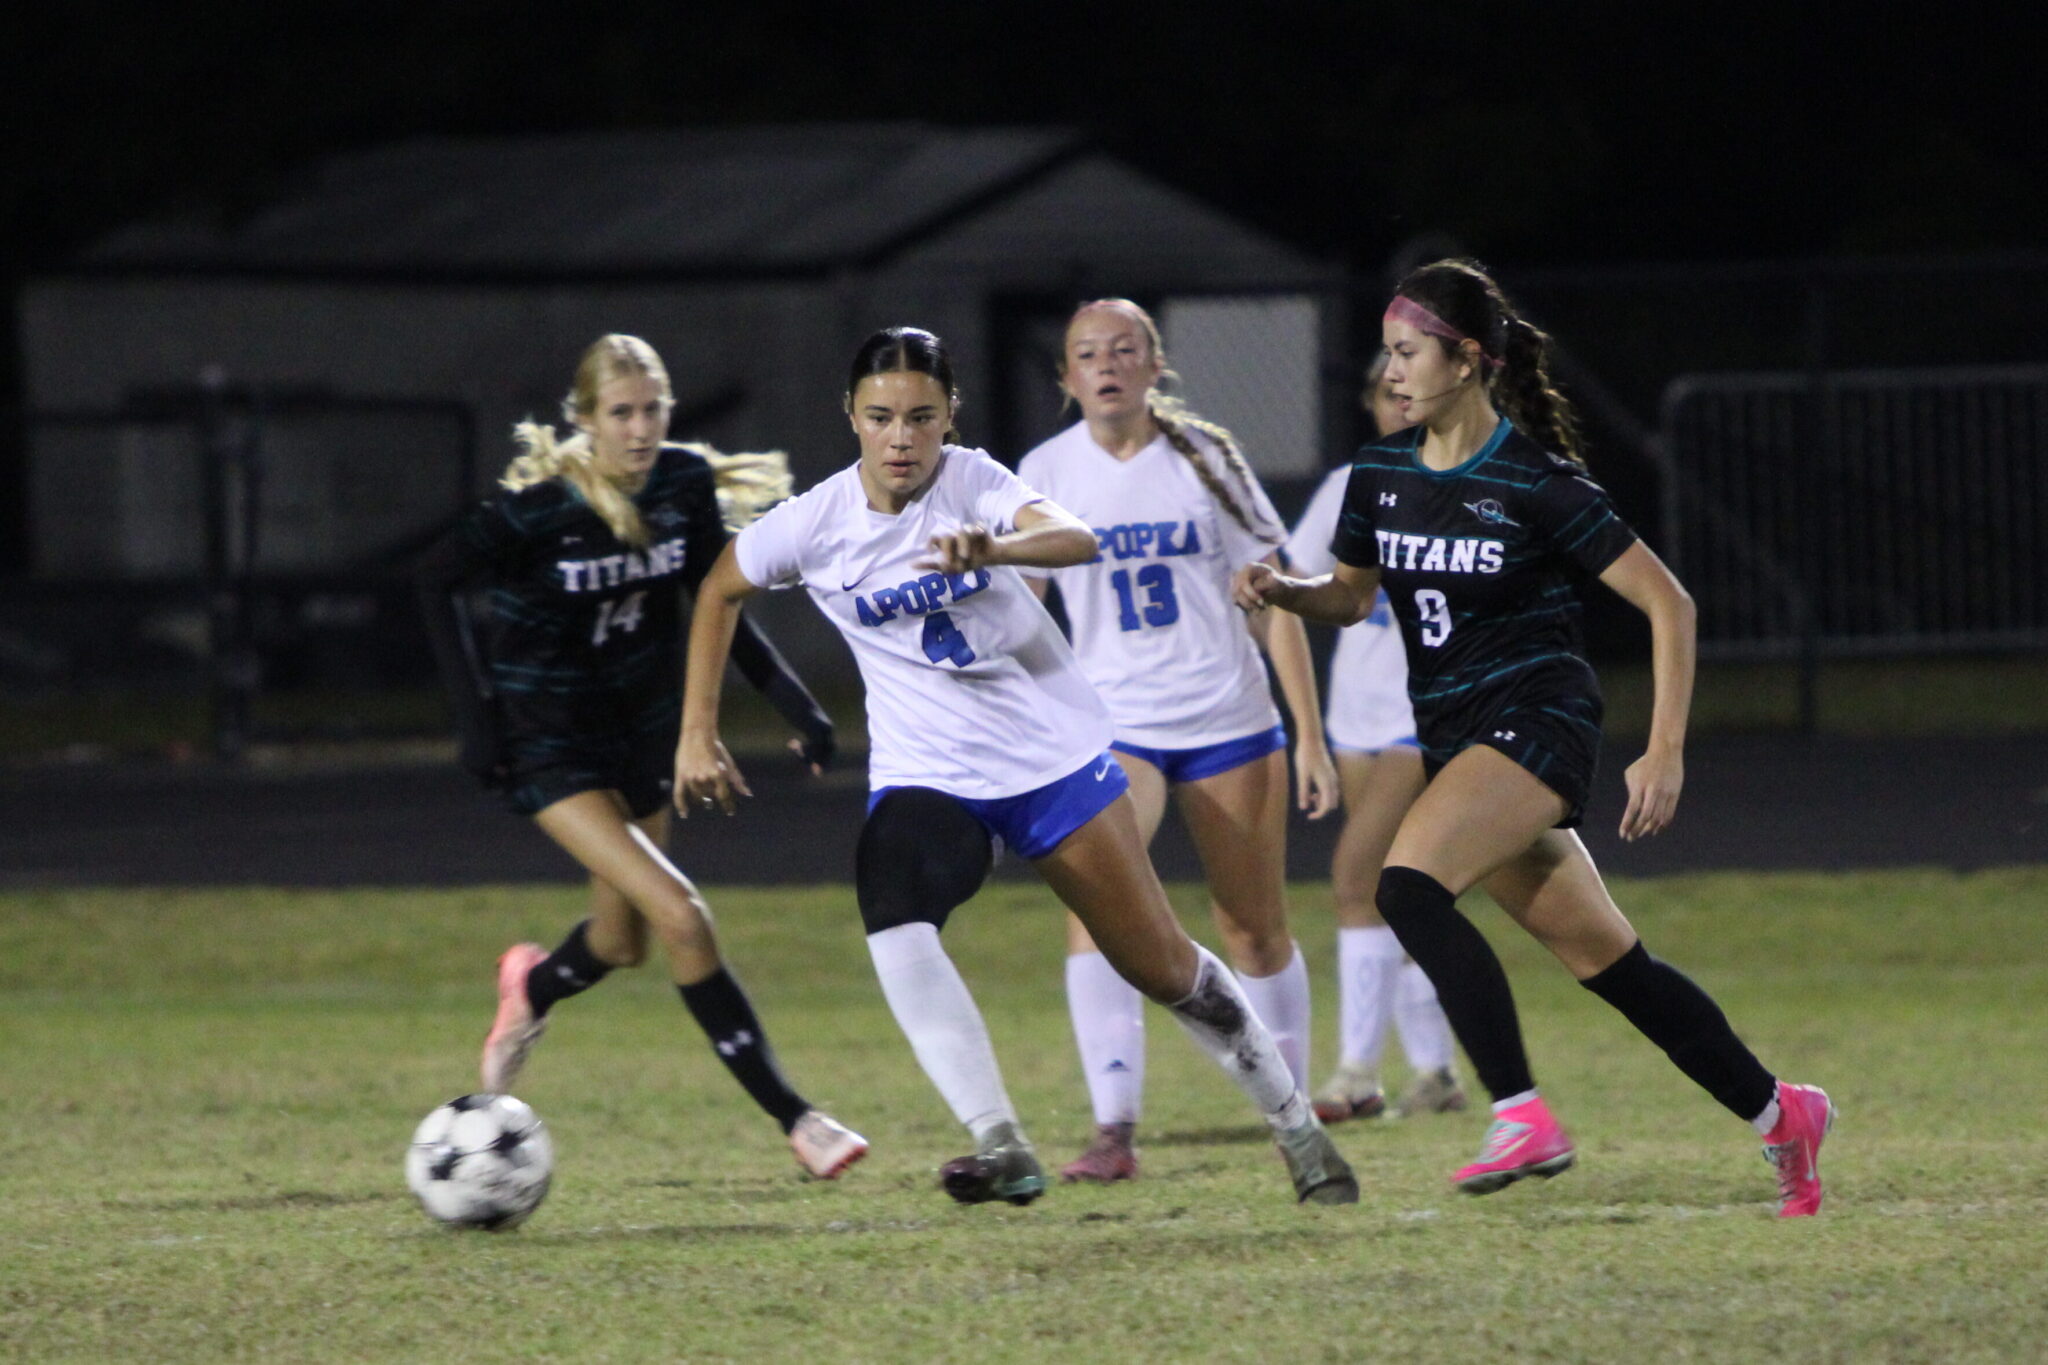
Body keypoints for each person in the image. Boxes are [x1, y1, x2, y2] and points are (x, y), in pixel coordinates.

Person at [675, 325, 1357, 1208]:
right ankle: (1000, 1140)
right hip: (932, 772)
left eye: (922, 417)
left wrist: (993, 546)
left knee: (1163, 967)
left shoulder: (975, 480)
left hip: (1053, 758)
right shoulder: (815, 522)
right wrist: (698, 728)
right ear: (851, 416)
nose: (900, 438)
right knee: (892, 907)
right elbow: (720, 587)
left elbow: (1075, 537)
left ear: (948, 417)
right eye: (881, 416)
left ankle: (1297, 1126)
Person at [1234, 261, 1834, 1217]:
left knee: (1404, 888)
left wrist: (1665, 746)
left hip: (1540, 720)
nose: (1392, 373)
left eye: (1409, 353)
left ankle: (1520, 1113)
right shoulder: (1378, 474)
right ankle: (1783, 1113)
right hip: (1459, 735)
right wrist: (1285, 590)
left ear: (1467, 360)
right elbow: (1349, 598)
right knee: (1615, 968)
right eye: (1387, 354)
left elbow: (1668, 604)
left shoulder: (1534, 481)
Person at [415, 333, 868, 1182]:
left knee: (621, 944)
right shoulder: (540, 508)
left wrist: (794, 702)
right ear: (584, 420)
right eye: (619, 413)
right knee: (683, 916)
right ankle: (799, 1119)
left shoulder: (683, 485)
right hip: (548, 741)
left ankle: (532, 985)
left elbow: (717, 597)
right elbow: (430, 577)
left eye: (652, 408)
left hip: (641, 732)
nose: (639, 428)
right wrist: (474, 718)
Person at [1013, 299, 1337, 1184]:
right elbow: (1020, 611)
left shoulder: (1207, 456)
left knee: (1253, 926)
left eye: (1125, 348)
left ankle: (1294, 1116)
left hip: (1230, 721)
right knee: (1098, 914)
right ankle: (1113, 1130)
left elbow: (1281, 594)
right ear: (1068, 377)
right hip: (1118, 730)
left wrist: (1309, 734)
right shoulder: (1043, 472)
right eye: (1088, 352)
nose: (1107, 363)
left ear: (1156, 366)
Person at [1286, 353, 1466, 1125]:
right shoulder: (1349, 484)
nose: (1400, 403)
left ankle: (1357, 1072)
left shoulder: (1468, 482)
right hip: (1354, 717)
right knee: (1398, 895)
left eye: (1410, 389)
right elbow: (1295, 587)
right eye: (1386, 393)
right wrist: (1308, 731)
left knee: (1357, 876)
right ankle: (1437, 1072)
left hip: (1424, 716)